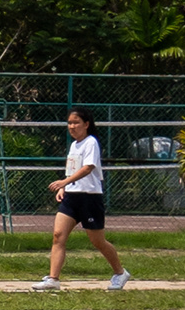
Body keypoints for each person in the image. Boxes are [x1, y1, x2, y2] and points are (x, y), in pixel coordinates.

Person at [33, 107, 130, 291]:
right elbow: (72, 170)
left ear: (86, 124)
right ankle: (53, 279)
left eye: (76, 122)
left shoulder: (91, 142)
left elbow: (88, 168)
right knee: (58, 236)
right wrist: (65, 188)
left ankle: (120, 273)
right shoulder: (74, 145)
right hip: (71, 198)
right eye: (69, 123)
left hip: (89, 198)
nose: (72, 126)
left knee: (98, 241)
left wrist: (64, 182)